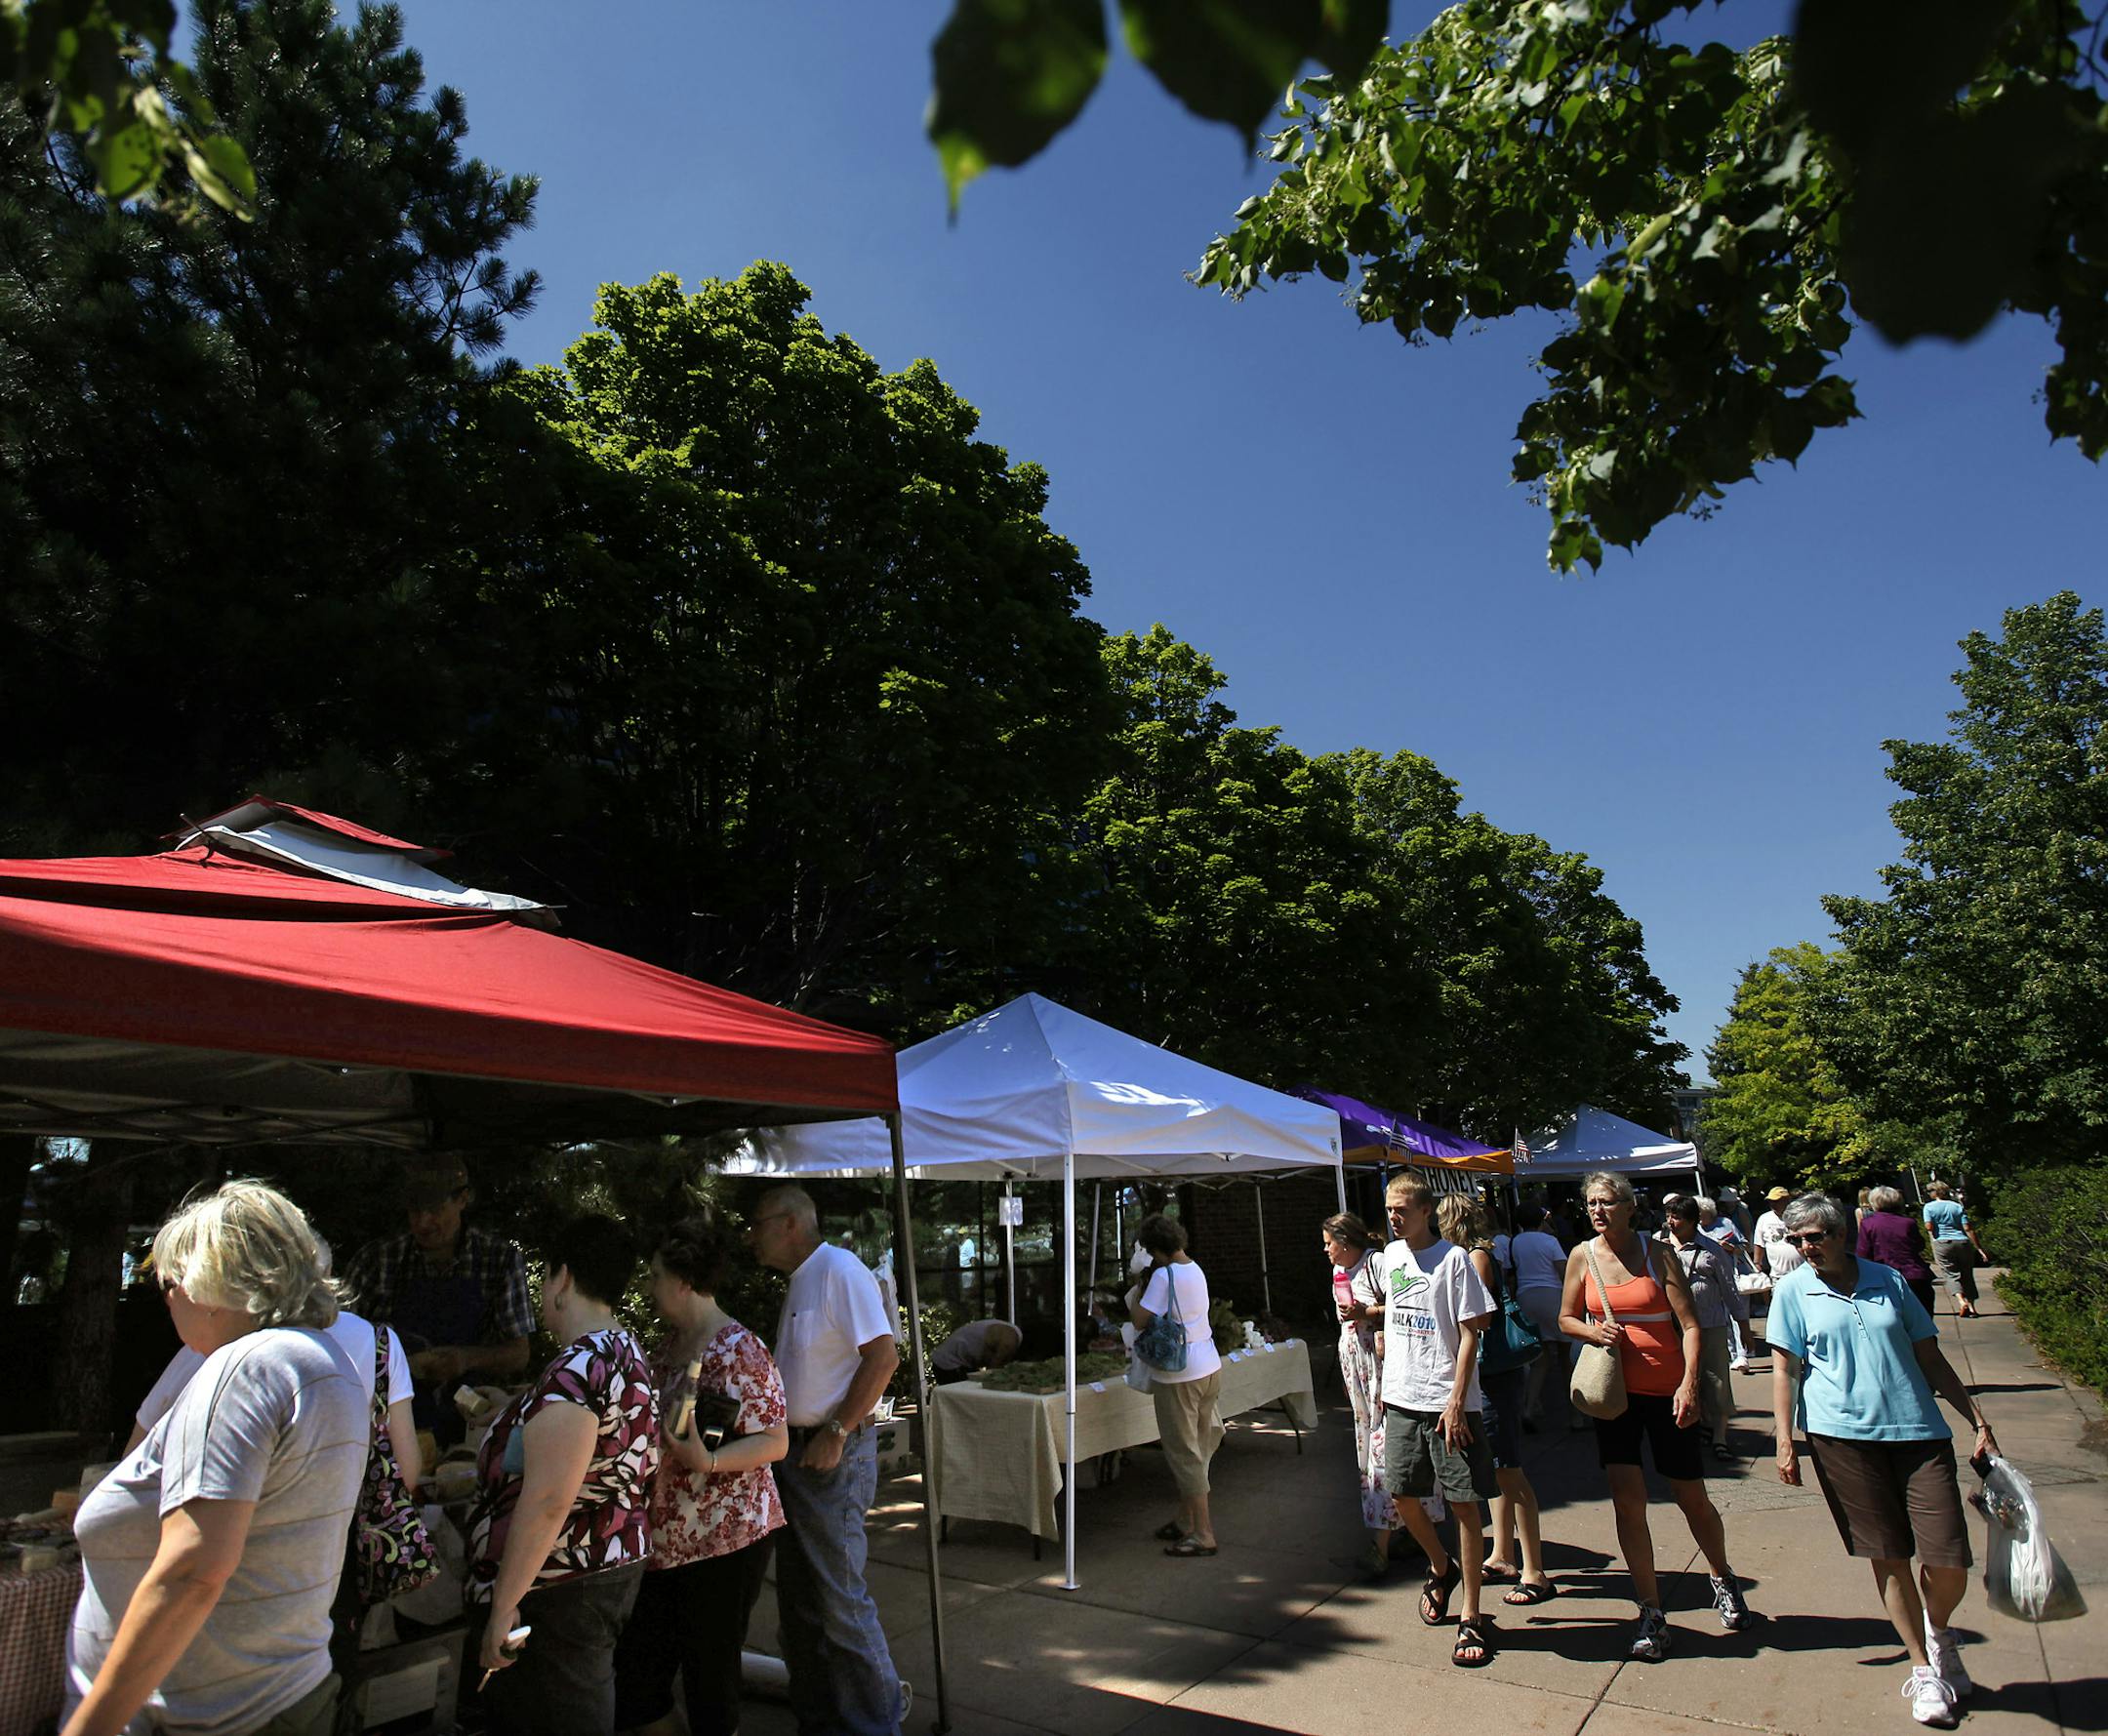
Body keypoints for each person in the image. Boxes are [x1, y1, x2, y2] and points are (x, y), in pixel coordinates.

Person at [65, 1182, 368, 1736]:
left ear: (210, 1284)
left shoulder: (245, 1367)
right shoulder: (325, 1360)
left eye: (170, 1281)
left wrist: (91, 1725)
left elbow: (193, 1570)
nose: (168, 1298)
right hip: (281, 1697)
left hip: (212, 1718)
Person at [1768, 1192, 1997, 1728]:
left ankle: (1939, 1633)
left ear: (1842, 1234)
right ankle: (1922, 1668)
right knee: (1888, 1554)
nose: (1806, 1248)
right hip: (1840, 1437)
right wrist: (1785, 1440)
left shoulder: (1888, 1281)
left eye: (1815, 1238)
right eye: (1797, 1241)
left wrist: (1977, 1420)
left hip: (1918, 1431)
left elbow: (1930, 1357)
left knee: (1949, 1559)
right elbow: (1785, 1369)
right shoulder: (1793, 1292)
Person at [466, 1215, 660, 1736]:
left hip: (565, 1579)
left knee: (559, 1712)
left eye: (546, 1276)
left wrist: (503, 1607)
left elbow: (549, 1499)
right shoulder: (624, 1352)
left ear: (564, 1278)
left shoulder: (576, 1369)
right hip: (609, 1559)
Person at [1559, 1170, 1751, 1660]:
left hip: (1667, 1393)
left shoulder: (1657, 1252)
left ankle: (1721, 1575)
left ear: (1628, 1207)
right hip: (1615, 1397)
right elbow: (1565, 1318)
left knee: (1691, 1495)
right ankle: (1650, 1610)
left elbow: (1689, 1324)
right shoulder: (1583, 1256)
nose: (1598, 1211)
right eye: (1591, 1204)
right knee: (1628, 1501)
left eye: (1606, 1202)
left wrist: (1689, 1384)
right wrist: (1591, 1333)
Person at [614, 1218, 788, 1736]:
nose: (648, 1287)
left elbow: (775, 1441)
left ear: (684, 1282)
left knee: (711, 1683)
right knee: (636, 1683)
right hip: (666, 1542)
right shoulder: (668, 1345)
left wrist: (706, 1461)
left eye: (655, 1276)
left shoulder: (742, 1350)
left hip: (725, 1545)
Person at [748, 1185, 905, 1736]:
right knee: (802, 1603)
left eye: (758, 1222)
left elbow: (884, 1356)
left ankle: (878, 1725)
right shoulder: (806, 1278)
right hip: (800, 1455)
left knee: (839, 1602)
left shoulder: (838, 1269)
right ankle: (821, 1719)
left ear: (790, 1223)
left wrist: (837, 1430)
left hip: (830, 1457)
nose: (751, 1234)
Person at [1379, 1175, 1500, 1669]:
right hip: (1403, 1397)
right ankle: (1439, 1565)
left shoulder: (1453, 1260)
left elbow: (1474, 1331)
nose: (1393, 1217)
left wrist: (1455, 1401)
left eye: (1402, 1209)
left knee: (1464, 1504)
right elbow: (1397, 1314)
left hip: (1449, 1402)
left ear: (1426, 1211)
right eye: (1389, 1209)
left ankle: (1472, 1612)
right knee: (1402, 1494)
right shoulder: (1391, 1257)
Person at [342, 1154, 536, 1444]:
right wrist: (399, 1364)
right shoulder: (377, 1260)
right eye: (414, 1210)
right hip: (388, 1429)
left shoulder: (499, 1261)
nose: (423, 1222)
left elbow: (519, 1354)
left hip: (471, 1429)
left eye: (434, 1209)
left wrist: (465, 1359)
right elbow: (340, 1349)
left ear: (463, 1199)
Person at [1439, 1195, 1556, 1611]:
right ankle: (1502, 1554)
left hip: (1495, 1375)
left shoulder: (1477, 1258)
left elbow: (1478, 1317)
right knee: (1496, 1469)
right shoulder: (1469, 1257)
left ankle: (1535, 1571)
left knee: (1510, 1469)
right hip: (1484, 1377)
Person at [1130, 1213, 1227, 1556]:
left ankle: (1203, 1532)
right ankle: (1186, 1519)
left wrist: (1141, 1284)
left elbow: (1140, 1320)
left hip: (1178, 1374)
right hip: (1208, 1365)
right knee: (1198, 1449)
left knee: (1183, 1453)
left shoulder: (1164, 1276)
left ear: (1156, 1249)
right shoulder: (1194, 1269)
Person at [1322, 1211, 1399, 1576]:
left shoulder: (1377, 1263)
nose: (1325, 1250)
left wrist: (1365, 1311)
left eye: (1328, 1243)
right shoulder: (1339, 1273)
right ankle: (1409, 1529)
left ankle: (1381, 1543)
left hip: (1382, 1369)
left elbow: (1402, 1307)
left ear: (1345, 1241)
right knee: (1367, 1447)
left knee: (1383, 1452)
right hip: (1358, 1369)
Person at [1660, 1194, 1738, 1464]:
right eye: (1669, 1216)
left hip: (1710, 1324)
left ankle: (1720, 1436)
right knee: (1684, 1378)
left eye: (1677, 1217)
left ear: (1693, 1221)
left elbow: (1729, 1287)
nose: (1671, 1222)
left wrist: (1743, 1322)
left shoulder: (1711, 1249)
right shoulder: (1659, 1248)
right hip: (1674, 1328)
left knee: (1716, 1379)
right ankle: (1693, 1427)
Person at [1509, 1203, 1572, 1430]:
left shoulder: (1515, 1241)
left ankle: (1529, 1407)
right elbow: (1564, 1271)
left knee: (1540, 1358)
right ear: (1541, 1220)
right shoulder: (1549, 1241)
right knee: (1566, 1357)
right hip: (1552, 1296)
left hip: (1526, 1297)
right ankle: (1576, 1414)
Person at [1857, 1186, 1938, 1315]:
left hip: (1885, 1277)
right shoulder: (1908, 1222)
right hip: (1915, 1275)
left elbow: (1863, 1253)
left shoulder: (1868, 1224)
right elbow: (1919, 1245)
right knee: (1923, 1319)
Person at [1697, 1197, 1756, 1372]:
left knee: (1737, 1315)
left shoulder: (1726, 1223)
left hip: (1733, 1275)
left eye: (1701, 1213)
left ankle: (1742, 1354)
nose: (1699, 1217)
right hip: (1711, 1280)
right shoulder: (1696, 1229)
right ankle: (1732, 1353)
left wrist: (1730, 1247)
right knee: (1722, 1318)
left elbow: (1745, 1245)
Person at [1921, 1182, 1987, 1318]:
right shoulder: (1956, 1206)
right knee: (1967, 1274)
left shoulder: (1929, 1207)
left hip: (1942, 1243)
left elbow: (1928, 1227)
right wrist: (1979, 1248)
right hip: (1962, 1241)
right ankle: (1973, 1308)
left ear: (1934, 1192)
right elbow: (1967, 1228)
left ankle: (1961, 1301)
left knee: (1951, 1274)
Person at [929, 1317, 1024, 1385]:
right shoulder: (1004, 1342)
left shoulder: (1012, 1334)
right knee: (965, 1396)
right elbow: (993, 1371)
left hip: (963, 1361)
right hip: (947, 1364)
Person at [1754, 1186, 1801, 1283]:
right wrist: (1757, 1262)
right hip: (1778, 1276)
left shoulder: (1798, 1217)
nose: (1772, 1204)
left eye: (1776, 1201)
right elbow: (1759, 1243)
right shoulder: (1764, 1219)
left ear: (1787, 1200)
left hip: (1801, 1273)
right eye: (1770, 1201)